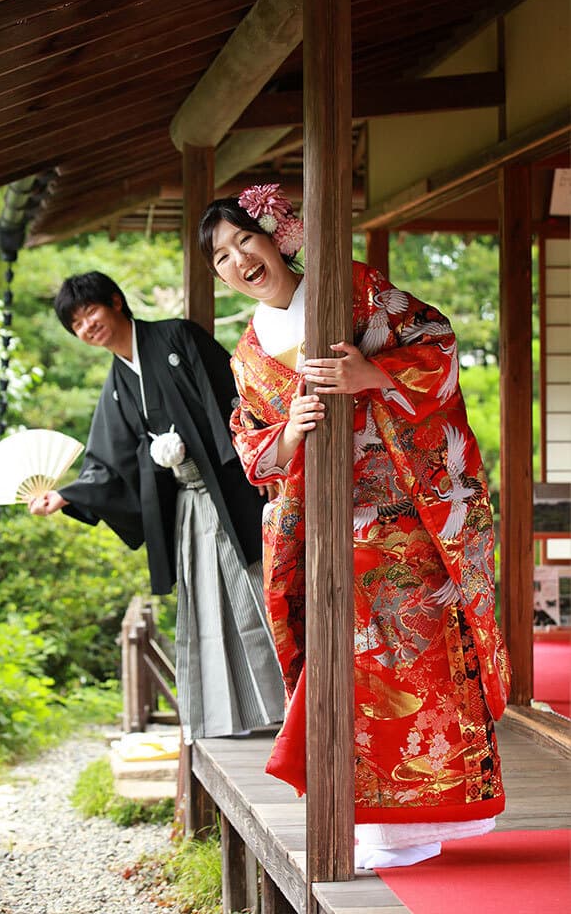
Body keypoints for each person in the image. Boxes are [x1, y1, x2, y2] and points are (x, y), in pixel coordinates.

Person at [198, 185, 511, 869]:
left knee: (415, 661)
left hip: (404, 518)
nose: (237, 258)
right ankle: (365, 822)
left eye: (244, 238)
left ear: (277, 235)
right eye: (221, 257)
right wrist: (289, 434)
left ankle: (422, 823)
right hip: (321, 529)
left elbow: (437, 344)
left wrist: (372, 373)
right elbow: (253, 446)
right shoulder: (248, 355)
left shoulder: (356, 290)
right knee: (340, 665)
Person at [29, 271, 285, 744]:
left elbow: (236, 400)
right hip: (189, 507)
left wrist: (264, 467)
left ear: (116, 301)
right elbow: (108, 463)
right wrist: (67, 494)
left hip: (235, 491)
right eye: (77, 324)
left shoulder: (177, 336)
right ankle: (245, 713)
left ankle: (299, 702)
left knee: (258, 591)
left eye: (91, 313)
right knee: (209, 604)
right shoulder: (117, 387)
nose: (88, 326)